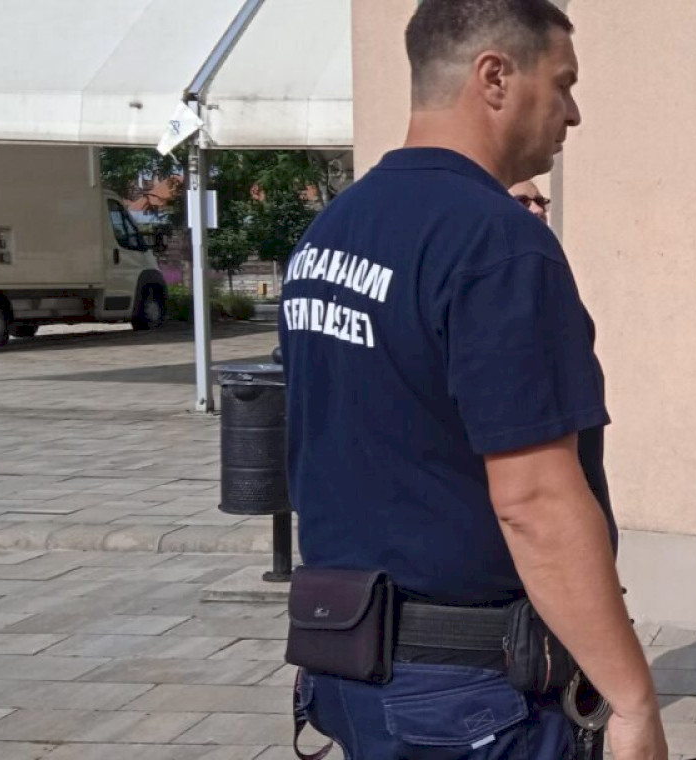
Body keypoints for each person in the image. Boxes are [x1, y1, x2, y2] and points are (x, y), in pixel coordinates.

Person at [279, 2, 665, 759]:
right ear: (495, 77)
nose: (573, 113)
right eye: (563, 83)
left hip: (351, 666)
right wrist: (631, 701)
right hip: (467, 695)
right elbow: (534, 501)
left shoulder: (332, 230)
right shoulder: (497, 244)